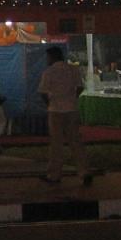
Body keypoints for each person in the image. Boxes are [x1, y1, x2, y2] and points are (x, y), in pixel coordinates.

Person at [38, 46, 90, 185]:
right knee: (76, 142)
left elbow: (42, 92)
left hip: (55, 110)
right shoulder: (73, 70)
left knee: (56, 144)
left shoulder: (49, 72)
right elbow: (80, 87)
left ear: (52, 57)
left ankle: (54, 175)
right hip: (71, 109)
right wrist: (72, 99)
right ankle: (84, 172)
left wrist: (49, 103)